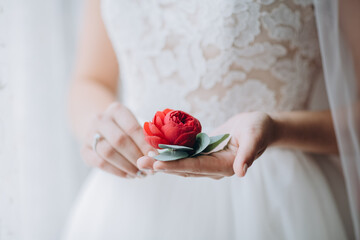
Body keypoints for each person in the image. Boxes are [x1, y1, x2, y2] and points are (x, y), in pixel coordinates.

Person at [63, 0, 354, 239]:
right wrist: (101, 128)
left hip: (272, 199)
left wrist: (276, 128)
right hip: (129, 196)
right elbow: (91, 79)